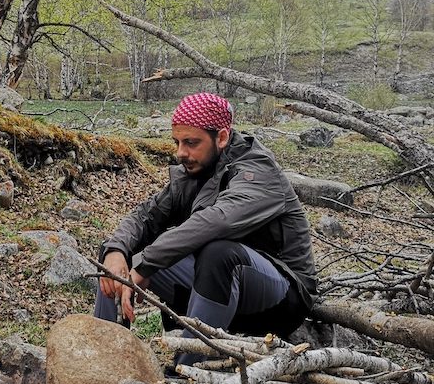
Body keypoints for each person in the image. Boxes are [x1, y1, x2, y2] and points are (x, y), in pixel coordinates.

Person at [95, 92, 316, 365]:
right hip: (218, 293)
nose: (180, 153)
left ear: (221, 137)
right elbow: (145, 217)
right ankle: (103, 362)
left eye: (191, 142)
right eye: (177, 142)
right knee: (116, 260)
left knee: (218, 253)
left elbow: (217, 220)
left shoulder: (258, 171)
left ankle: (187, 371)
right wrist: (116, 251)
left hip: (280, 301)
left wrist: (145, 266)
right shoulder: (194, 170)